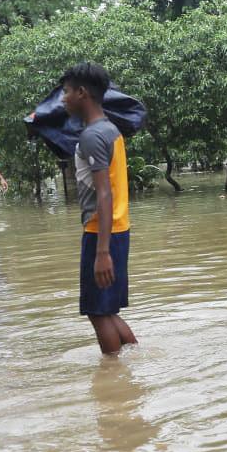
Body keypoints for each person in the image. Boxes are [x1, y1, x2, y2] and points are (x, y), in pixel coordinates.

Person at [61, 61, 137, 356]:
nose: (63, 99)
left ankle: (115, 379)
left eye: (66, 92)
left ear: (82, 93)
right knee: (106, 309)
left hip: (101, 232)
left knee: (97, 311)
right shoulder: (110, 129)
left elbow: (103, 194)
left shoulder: (92, 135)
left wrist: (101, 252)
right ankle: (132, 362)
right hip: (117, 228)